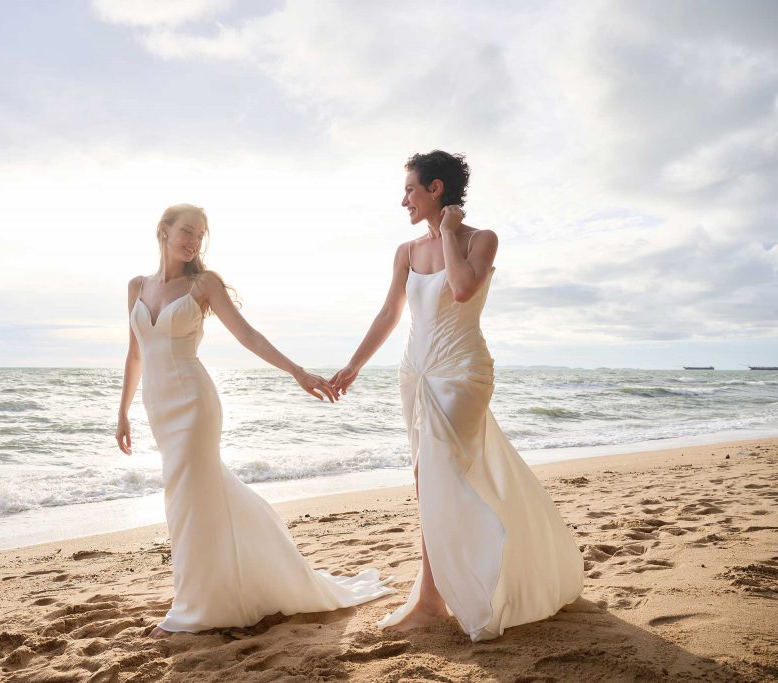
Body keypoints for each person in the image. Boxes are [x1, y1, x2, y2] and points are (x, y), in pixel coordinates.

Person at [330, 151, 583, 641]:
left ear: (436, 188)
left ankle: (445, 592)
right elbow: (389, 314)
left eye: (410, 189)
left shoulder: (480, 239)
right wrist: (353, 365)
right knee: (427, 479)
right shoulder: (405, 252)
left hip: (462, 373)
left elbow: (464, 289)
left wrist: (447, 232)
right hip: (416, 373)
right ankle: (430, 596)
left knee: (442, 473)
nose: (403, 198)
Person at [116, 203, 393, 635]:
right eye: (187, 230)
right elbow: (135, 353)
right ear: (164, 230)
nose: (193, 241)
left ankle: (191, 605)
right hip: (158, 406)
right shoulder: (136, 286)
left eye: (200, 235)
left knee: (185, 497)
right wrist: (123, 411)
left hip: (194, 402)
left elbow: (247, 335)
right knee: (195, 495)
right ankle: (220, 587)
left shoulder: (203, 284)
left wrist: (297, 371)